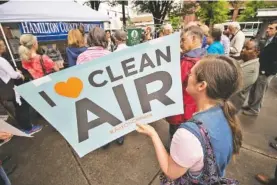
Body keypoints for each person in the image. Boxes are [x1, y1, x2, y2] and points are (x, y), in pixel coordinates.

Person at [137, 55, 242, 184]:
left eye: (191, 73)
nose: (187, 75)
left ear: (202, 85)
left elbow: (171, 171)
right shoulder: (226, 113)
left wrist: (153, 133)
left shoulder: (187, 134)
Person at [166, 26, 206, 145]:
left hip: (181, 110)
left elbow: (173, 84)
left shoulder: (187, 62)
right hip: (195, 108)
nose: (181, 43)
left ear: (193, 38)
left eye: (183, 40)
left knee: (177, 137)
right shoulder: (205, 57)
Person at [0, 39, 42, 135]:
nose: (5, 47)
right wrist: (19, 74)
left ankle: (24, 126)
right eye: (2, 45)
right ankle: (28, 128)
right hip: (11, 87)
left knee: (18, 107)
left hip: (4, 89)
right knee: (22, 106)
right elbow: (13, 74)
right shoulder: (1, 60)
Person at [242, 23, 277, 116]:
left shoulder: (275, 42)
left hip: (266, 71)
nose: (267, 30)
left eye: (271, 28)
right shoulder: (267, 40)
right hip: (259, 67)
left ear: (276, 31)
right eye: (268, 27)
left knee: (259, 90)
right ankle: (250, 105)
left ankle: (254, 109)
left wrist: (266, 72)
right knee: (254, 88)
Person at [230, 40, 260, 112]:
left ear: (256, 52)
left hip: (232, 103)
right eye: (244, 47)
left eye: (247, 48)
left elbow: (235, 86)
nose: (243, 50)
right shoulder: (245, 60)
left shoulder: (252, 69)